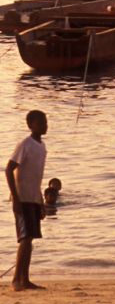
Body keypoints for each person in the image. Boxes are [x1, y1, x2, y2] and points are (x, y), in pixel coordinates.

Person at [5, 110, 48, 291]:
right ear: (30, 125)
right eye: (41, 123)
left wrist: (41, 202)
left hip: (33, 198)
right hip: (22, 198)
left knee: (30, 239)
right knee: (25, 238)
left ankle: (25, 278)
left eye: (45, 122)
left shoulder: (42, 146)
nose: (45, 125)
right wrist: (15, 198)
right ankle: (16, 280)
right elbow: (9, 169)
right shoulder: (25, 144)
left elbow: (37, 176)